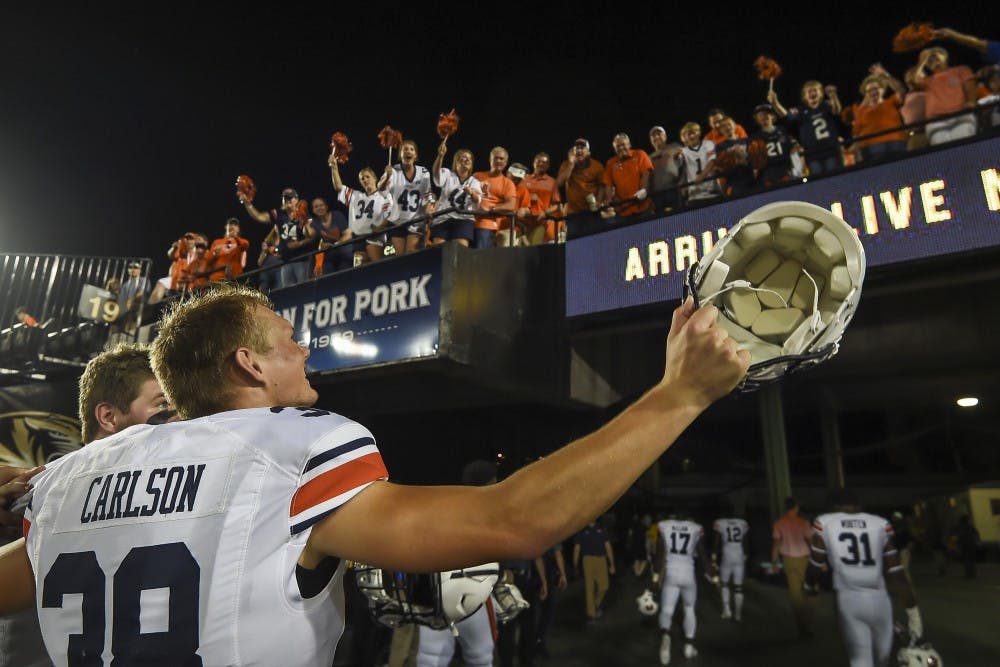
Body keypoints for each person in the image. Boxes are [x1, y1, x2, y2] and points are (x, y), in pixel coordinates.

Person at [0, 284, 748, 666]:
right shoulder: (290, 446)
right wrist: (678, 394)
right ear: (249, 363)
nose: (307, 356)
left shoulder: (69, 477)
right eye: (290, 343)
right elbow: (514, 521)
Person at [806, 489, 922, 667]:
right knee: (882, 661)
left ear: (833, 507)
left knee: (861, 661)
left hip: (849, 599)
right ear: (858, 506)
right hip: (880, 600)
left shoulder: (826, 522)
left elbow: (816, 562)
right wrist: (913, 613)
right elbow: (897, 573)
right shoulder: (879, 524)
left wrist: (809, 584)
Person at [416, 461, 499, 667]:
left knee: (430, 658)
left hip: (434, 593)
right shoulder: (486, 512)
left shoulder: (442, 508)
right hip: (472, 591)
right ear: (489, 483)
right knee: (480, 657)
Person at [654, 512, 713, 664]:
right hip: (688, 574)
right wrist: (711, 571)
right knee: (689, 608)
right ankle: (689, 645)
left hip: (671, 573)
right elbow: (702, 553)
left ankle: (666, 637)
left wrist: (655, 576)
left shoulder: (665, 526)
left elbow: (659, 554)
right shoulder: (694, 528)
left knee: (667, 609)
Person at [240, 186, 317, 288]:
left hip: (302, 259)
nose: (288, 200)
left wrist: (300, 239)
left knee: (303, 289)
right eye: (285, 198)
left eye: (290, 198)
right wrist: (247, 204)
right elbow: (259, 217)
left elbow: (312, 235)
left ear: (297, 199)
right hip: (285, 261)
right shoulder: (280, 215)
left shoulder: (304, 215)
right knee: (287, 293)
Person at [769, 81, 845, 176]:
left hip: (830, 150)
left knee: (834, 177)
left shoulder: (826, 105)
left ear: (821, 93)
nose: (812, 93)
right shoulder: (801, 111)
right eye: (809, 91)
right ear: (804, 96)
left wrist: (833, 95)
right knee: (818, 180)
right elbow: (785, 115)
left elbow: (837, 110)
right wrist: (775, 103)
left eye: (815, 90)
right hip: (812, 153)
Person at [330, 152, 394, 265]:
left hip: (374, 237)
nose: (365, 180)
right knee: (360, 269)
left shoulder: (384, 195)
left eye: (367, 177)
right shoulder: (356, 196)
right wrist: (334, 168)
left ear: (375, 178)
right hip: (358, 239)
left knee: (376, 266)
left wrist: (380, 228)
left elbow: (389, 215)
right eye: (362, 179)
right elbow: (339, 187)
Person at [914, 46, 978, 146]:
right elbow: (912, 80)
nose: (933, 60)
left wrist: (971, 102)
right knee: (944, 154)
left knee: (965, 148)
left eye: (935, 57)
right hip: (936, 121)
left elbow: (970, 87)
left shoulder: (961, 70)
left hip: (960, 114)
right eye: (929, 60)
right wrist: (921, 61)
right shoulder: (927, 80)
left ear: (945, 57)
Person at [844, 64, 907, 162]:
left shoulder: (891, 101)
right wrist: (857, 152)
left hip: (894, 142)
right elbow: (856, 133)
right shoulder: (861, 110)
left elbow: (900, 90)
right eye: (869, 90)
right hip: (870, 148)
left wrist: (885, 75)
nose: (873, 92)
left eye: (876, 89)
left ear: (883, 90)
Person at [381, 139, 434, 255]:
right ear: (400, 154)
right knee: (400, 255)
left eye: (411, 149)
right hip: (396, 220)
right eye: (405, 149)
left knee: (410, 252)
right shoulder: (393, 171)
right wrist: (386, 177)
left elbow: (427, 195)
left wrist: (429, 209)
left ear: (416, 155)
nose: (408, 151)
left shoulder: (423, 172)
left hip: (415, 219)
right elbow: (380, 189)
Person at [771, 497, 815, 637]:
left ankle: (801, 625)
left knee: (795, 593)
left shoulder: (779, 524)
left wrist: (774, 563)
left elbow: (776, 544)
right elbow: (811, 543)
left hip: (788, 560)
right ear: (796, 507)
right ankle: (807, 620)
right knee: (813, 591)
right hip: (804, 559)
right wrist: (820, 562)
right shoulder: (803, 523)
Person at [430, 140, 482, 248]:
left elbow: (478, 200)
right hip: (443, 218)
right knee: (439, 252)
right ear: (457, 161)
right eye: (463, 157)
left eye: (469, 158)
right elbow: (436, 173)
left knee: (460, 252)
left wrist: (472, 193)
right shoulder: (448, 174)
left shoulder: (474, 182)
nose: (467, 159)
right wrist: (440, 156)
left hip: (463, 219)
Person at [556, 138, 605, 238]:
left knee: (593, 240)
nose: (579, 151)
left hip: (591, 212)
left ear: (588, 152)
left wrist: (599, 202)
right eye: (576, 148)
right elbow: (559, 183)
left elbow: (602, 186)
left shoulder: (597, 166)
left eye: (582, 148)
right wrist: (571, 165)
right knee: (574, 244)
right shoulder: (566, 164)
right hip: (573, 213)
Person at [601, 132, 654, 224]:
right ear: (614, 149)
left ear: (629, 145)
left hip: (643, 206)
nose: (621, 148)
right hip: (623, 211)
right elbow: (608, 184)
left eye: (623, 145)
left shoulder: (640, 154)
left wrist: (643, 190)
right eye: (618, 146)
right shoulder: (611, 163)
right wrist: (609, 201)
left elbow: (646, 174)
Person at [472, 146, 517, 249]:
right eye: (496, 158)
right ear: (490, 159)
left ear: (506, 163)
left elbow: (511, 205)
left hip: (486, 225)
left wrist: (491, 209)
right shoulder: (477, 176)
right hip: (467, 221)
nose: (498, 161)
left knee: (480, 258)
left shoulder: (508, 183)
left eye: (501, 159)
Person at [572, 520, 615, 624]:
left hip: (601, 560)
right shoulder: (581, 531)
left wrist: (612, 564)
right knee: (589, 587)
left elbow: (608, 547)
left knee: (604, 586)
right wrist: (575, 565)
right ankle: (591, 614)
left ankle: (594, 605)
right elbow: (577, 548)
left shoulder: (602, 529)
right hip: (587, 560)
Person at [748, 104, 797, 187]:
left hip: (786, 169)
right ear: (756, 119)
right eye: (760, 115)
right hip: (767, 173)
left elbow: (794, 148)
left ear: (772, 116)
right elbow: (754, 161)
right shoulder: (754, 138)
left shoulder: (783, 130)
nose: (763, 117)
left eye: (766, 114)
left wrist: (798, 166)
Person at [712, 512, 749, 621]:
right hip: (739, 553)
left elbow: (716, 541)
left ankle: (727, 609)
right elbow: (746, 541)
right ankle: (738, 614)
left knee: (724, 583)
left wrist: (713, 556)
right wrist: (746, 555)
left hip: (727, 553)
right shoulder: (742, 523)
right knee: (738, 586)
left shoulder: (721, 523)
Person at [520, 152, 562, 244]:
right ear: (533, 163)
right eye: (538, 161)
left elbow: (557, 206)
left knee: (534, 251)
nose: (541, 164)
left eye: (544, 162)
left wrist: (545, 212)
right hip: (523, 224)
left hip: (541, 224)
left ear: (548, 166)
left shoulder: (552, 182)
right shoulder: (524, 180)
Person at [678, 122, 721, 205]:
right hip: (695, 195)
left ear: (699, 132)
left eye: (693, 133)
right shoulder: (683, 151)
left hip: (712, 192)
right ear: (684, 137)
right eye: (688, 134)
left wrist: (701, 176)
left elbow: (712, 161)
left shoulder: (708, 144)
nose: (691, 136)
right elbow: (681, 171)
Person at [309, 197, 351, 275]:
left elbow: (348, 234)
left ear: (326, 207)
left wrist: (335, 245)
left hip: (343, 250)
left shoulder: (337, 215)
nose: (319, 208)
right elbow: (310, 235)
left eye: (321, 205)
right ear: (313, 210)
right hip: (328, 256)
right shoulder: (315, 222)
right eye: (316, 207)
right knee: (326, 269)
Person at [647, 126, 683, 214]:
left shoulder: (675, 147)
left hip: (675, 190)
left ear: (665, 136)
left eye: (659, 134)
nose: (656, 137)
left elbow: (685, 165)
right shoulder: (648, 158)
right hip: (657, 195)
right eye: (653, 136)